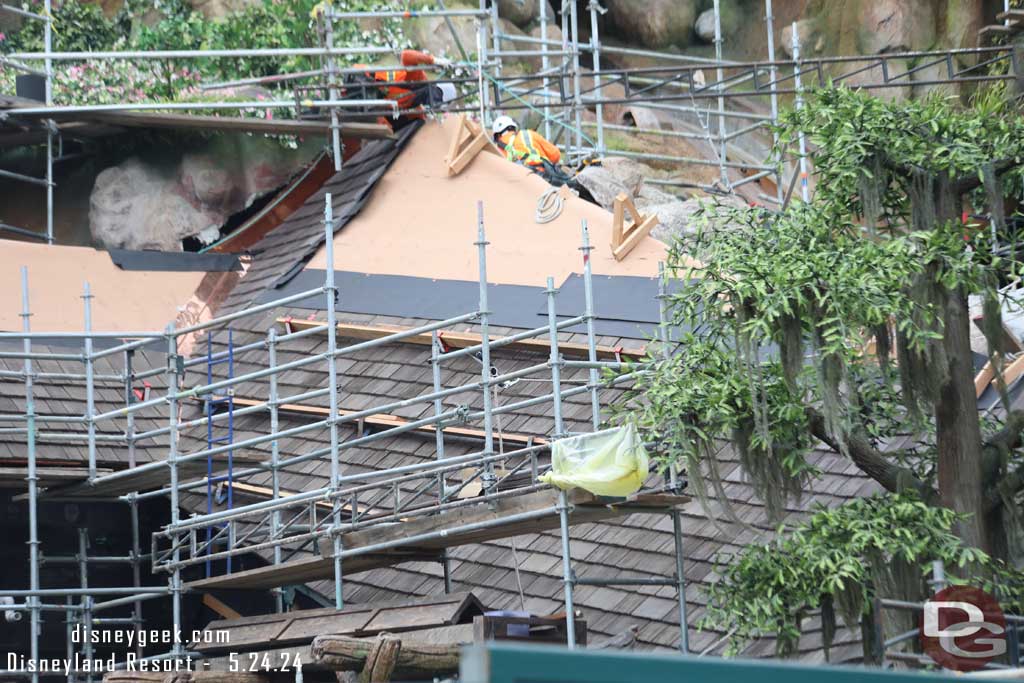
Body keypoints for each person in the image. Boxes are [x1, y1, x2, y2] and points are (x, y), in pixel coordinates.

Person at [346, 50, 457, 130]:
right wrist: (433, 60)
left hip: (367, 104)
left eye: (438, 103)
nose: (434, 102)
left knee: (389, 126)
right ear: (434, 86)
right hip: (361, 80)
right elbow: (406, 56)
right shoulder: (418, 78)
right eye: (438, 96)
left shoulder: (416, 111)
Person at [491, 116, 570, 185]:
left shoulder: (496, 150)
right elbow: (555, 155)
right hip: (544, 178)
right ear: (513, 127)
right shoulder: (529, 134)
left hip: (520, 185)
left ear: (497, 135)